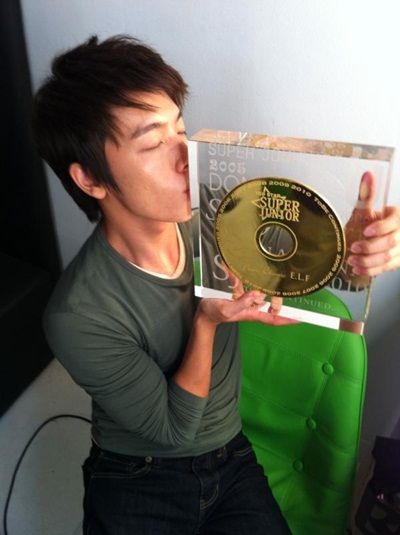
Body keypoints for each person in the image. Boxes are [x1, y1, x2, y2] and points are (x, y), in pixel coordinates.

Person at [33, 35, 400, 535]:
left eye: (180, 130)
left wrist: (360, 253)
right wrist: (206, 322)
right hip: (138, 474)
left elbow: (300, 272)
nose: (186, 155)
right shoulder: (78, 314)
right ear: (90, 180)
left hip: (230, 451)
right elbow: (173, 430)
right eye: (153, 143)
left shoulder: (217, 221)